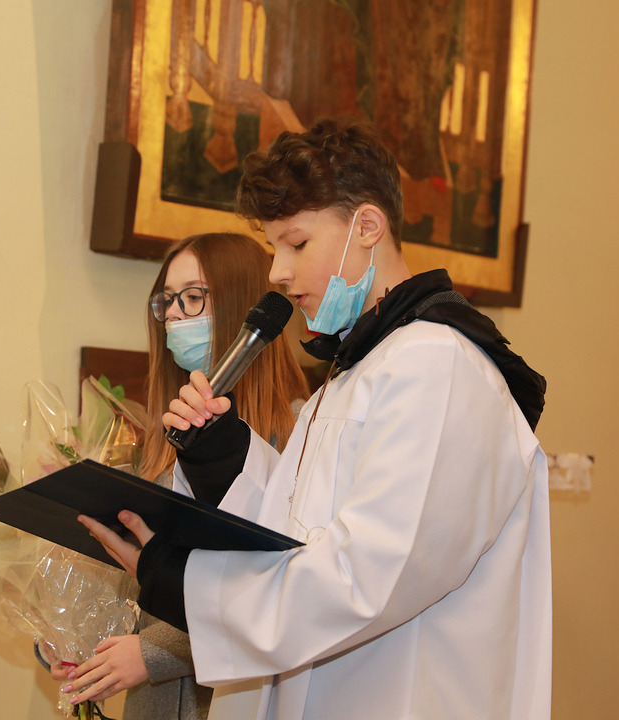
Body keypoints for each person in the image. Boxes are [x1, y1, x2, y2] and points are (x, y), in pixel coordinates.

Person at [78, 118, 551, 719]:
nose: (277, 270)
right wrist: (225, 458)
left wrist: (179, 578)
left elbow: (364, 577)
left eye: (296, 244)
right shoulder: (356, 371)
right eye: (274, 246)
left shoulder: (438, 365)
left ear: (368, 227)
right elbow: (297, 535)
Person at [52, 232, 309, 719]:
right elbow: (143, 572)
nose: (173, 314)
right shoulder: (158, 437)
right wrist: (73, 630)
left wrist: (153, 653)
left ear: (240, 305)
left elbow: (284, 594)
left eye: (192, 297)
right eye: (166, 300)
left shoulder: (299, 432)